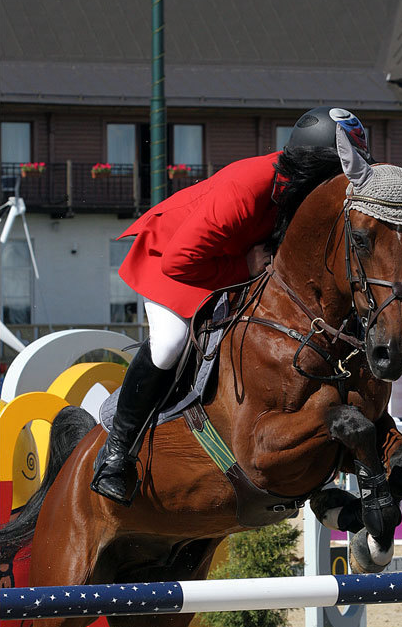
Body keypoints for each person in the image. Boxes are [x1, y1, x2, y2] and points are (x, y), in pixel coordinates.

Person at [90, 107, 373, 505]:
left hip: (239, 262)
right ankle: (116, 455)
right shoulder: (248, 186)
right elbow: (180, 261)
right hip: (176, 260)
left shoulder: (306, 190)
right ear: (316, 167)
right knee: (170, 343)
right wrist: (244, 266)